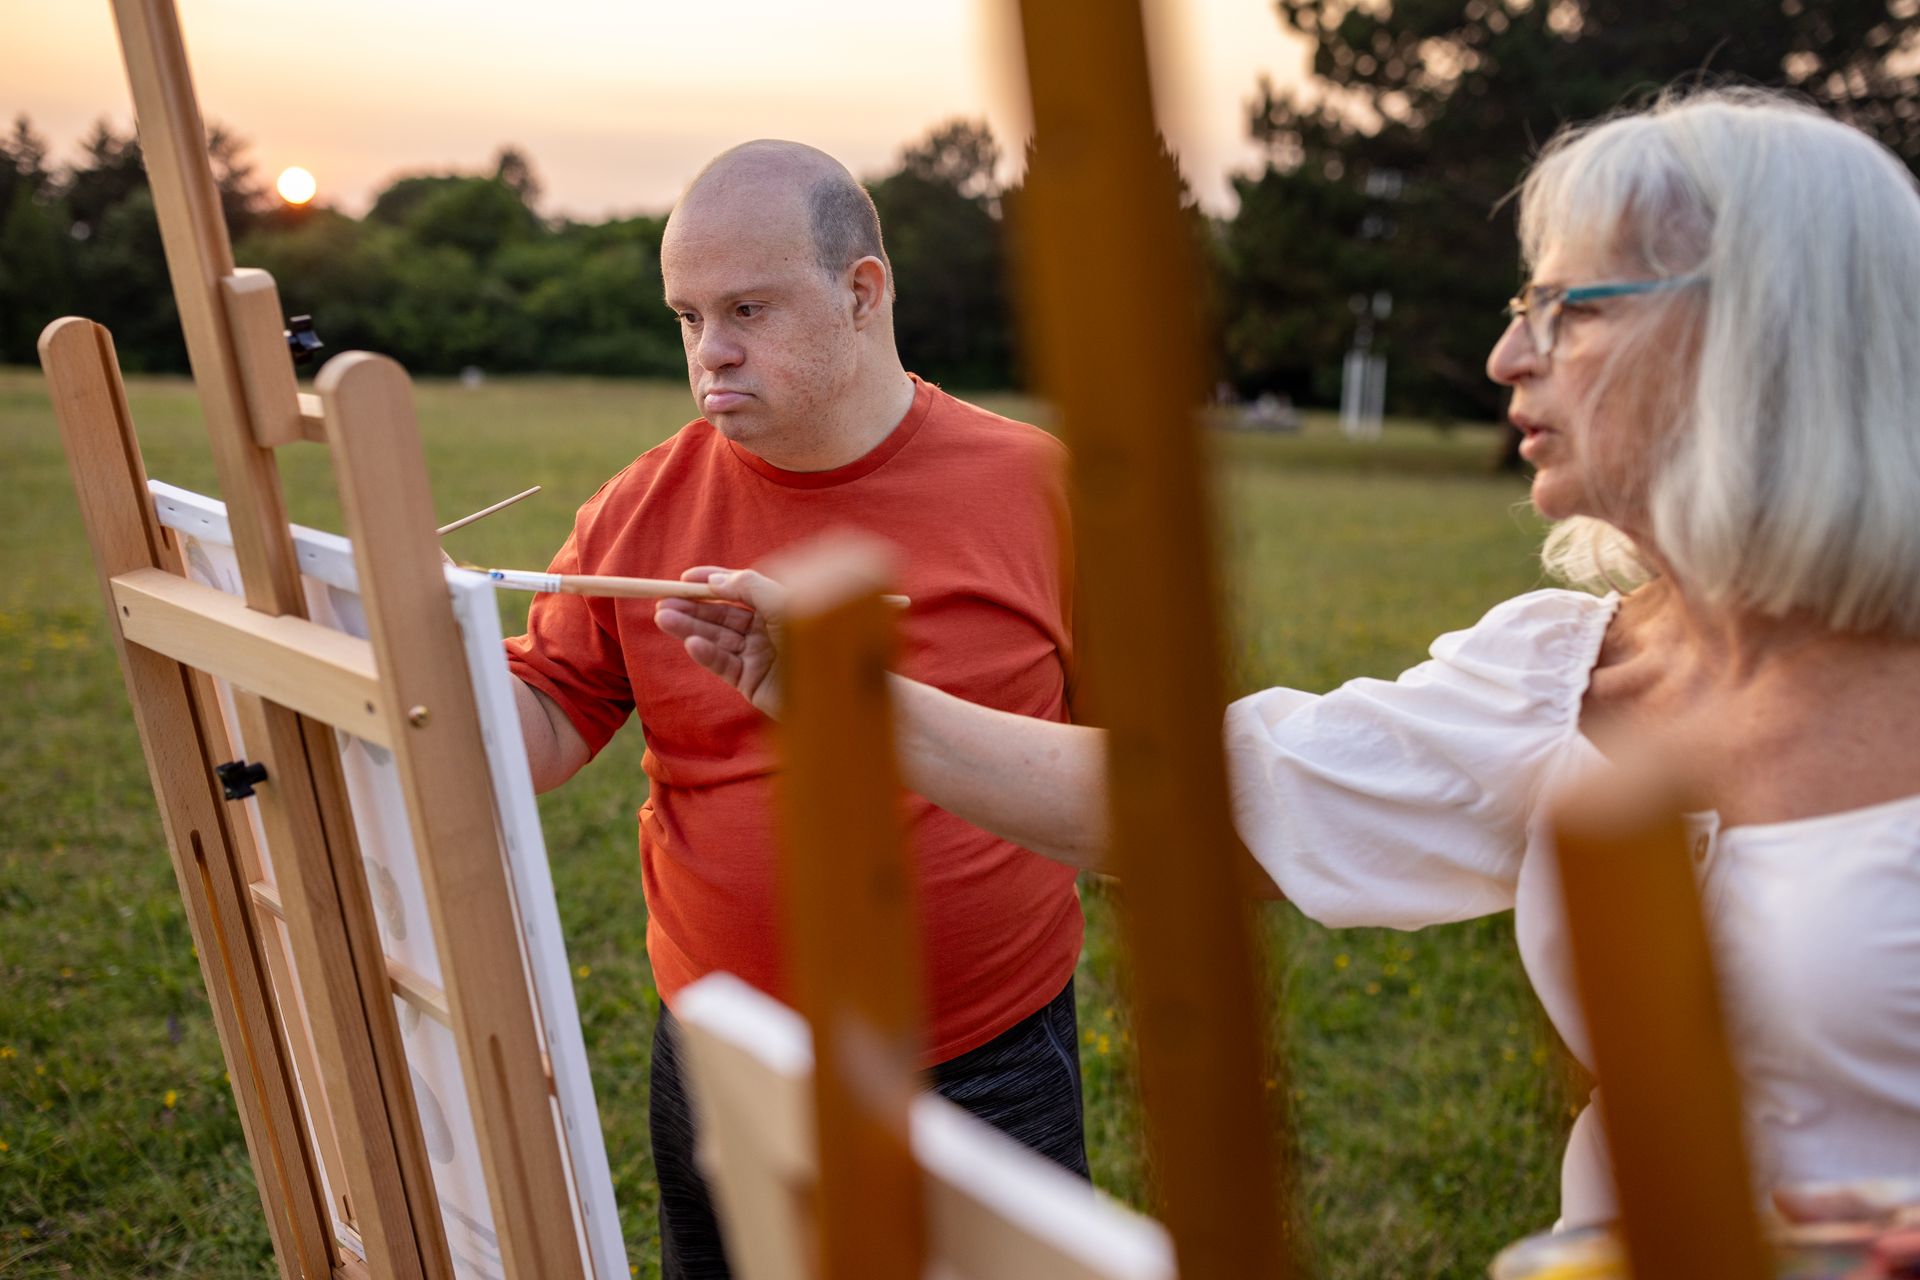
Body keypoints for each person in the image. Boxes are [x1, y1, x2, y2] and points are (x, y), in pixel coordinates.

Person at [660, 90, 1920, 1229]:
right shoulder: (1561, 675)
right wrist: (840, 693)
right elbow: (1195, 804)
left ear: (1759, 336)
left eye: (1563, 310)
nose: (1506, 359)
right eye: (1515, 309)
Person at [504, 140, 1087, 1277]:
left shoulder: (1040, 489)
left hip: (982, 1057)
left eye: (747, 309)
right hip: (727, 1053)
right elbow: (548, 719)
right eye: (686, 316)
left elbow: (1145, 753)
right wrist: (418, 683)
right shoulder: (642, 503)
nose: (709, 353)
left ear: (862, 292)